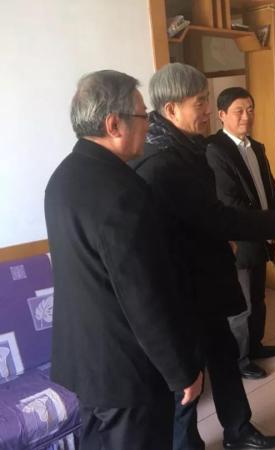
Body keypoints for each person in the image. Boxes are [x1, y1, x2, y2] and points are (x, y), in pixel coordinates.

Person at [129, 63, 275, 450]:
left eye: (207, 100)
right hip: (181, 292)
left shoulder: (188, 148)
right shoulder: (161, 162)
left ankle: (238, 430)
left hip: (204, 283)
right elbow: (218, 217)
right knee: (188, 378)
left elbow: (206, 217)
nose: (208, 110)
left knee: (224, 357)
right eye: (199, 102)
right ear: (171, 109)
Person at [44, 70, 203, 450]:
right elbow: (142, 296)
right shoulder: (122, 192)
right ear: (114, 124)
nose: (148, 125)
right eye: (143, 115)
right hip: (126, 370)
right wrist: (180, 370)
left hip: (85, 360)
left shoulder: (63, 177)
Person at [206, 87, 275, 380]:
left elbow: (270, 189)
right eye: (239, 111)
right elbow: (228, 201)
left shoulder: (256, 147)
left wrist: (274, 222)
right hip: (238, 240)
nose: (246, 116)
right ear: (222, 114)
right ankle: (239, 359)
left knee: (259, 296)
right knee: (241, 304)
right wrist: (263, 227)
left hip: (261, 235)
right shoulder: (215, 149)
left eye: (250, 109)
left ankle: (255, 345)